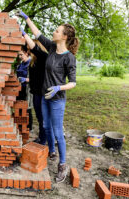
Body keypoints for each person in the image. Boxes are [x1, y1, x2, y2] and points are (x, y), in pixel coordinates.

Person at [17, 11, 80, 183]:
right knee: (45, 125)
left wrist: (59, 87)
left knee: (58, 131)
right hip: (45, 96)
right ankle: (51, 151)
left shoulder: (69, 58)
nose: (54, 32)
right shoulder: (51, 49)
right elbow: (37, 36)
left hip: (57, 98)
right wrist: (25, 20)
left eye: (57, 31)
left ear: (65, 36)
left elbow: (73, 82)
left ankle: (63, 165)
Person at [26, 40, 50, 147]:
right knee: (40, 117)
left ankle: (43, 140)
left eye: (29, 47)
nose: (28, 50)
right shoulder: (33, 61)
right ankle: (42, 137)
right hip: (36, 93)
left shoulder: (43, 58)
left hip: (42, 94)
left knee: (43, 118)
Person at [16, 46, 33, 131]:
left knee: (27, 108)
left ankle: (29, 127)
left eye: (21, 55)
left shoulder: (31, 64)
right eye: (19, 55)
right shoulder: (20, 64)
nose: (20, 57)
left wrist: (25, 79)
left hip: (27, 89)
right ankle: (20, 125)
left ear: (26, 53)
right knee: (19, 107)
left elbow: (35, 79)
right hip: (19, 89)